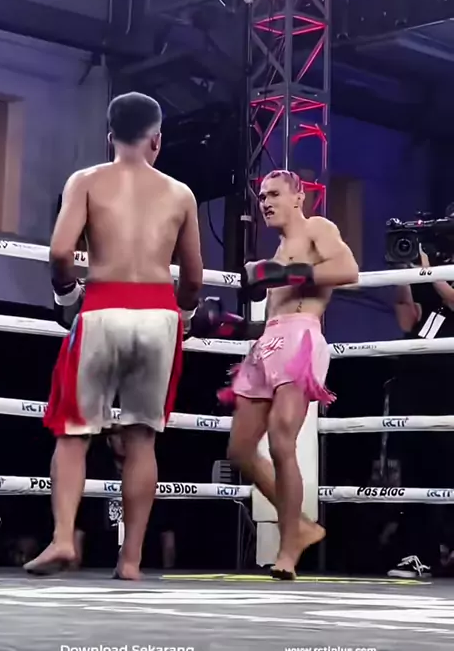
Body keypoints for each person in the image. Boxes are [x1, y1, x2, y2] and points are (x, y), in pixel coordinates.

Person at [24, 91, 203, 580]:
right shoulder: (180, 194)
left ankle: (64, 539)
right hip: (159, 316)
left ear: (110, 138)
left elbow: (60, 252)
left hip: (103, 308)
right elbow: (192, 276)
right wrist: (184, 315)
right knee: (142, 437)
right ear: (156, 140)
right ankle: (131, 561)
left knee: (74, 433)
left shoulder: (86, 181)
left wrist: (66, 297)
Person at [226, 170, 359, 580]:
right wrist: (232, 327)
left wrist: (285, 274)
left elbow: (348, 269)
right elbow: (274, 314)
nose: (265, 202)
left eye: (274, 194)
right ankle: (299, 526)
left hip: (300, 340)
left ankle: (288, 550)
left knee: (282, 442)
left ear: (299, 197)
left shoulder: (317, 228)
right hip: (267, 343)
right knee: (240, 450)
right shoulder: (280, 249)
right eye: (262, 196)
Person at [386, 245, 454, 580]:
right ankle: (417, 553)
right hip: (416, 386)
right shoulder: (431, 278)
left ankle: (445, 547)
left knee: (446, 469)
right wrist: (404, 274)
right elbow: (406, 316)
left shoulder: (437, 277)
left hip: (448, 390)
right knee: (415, 471)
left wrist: (428, 273)